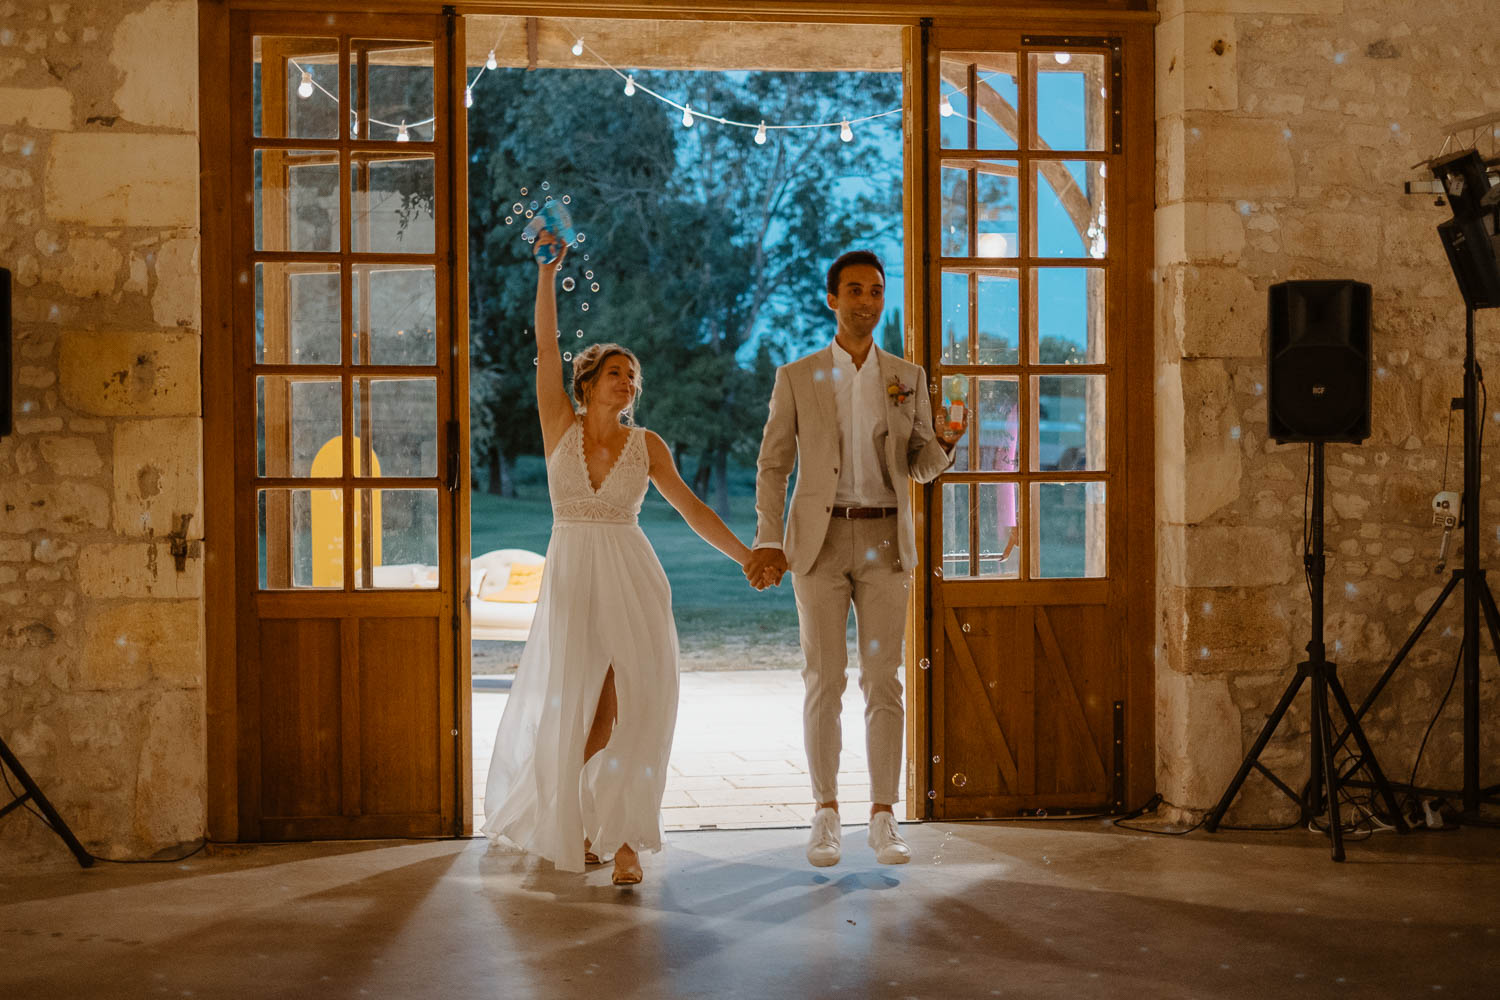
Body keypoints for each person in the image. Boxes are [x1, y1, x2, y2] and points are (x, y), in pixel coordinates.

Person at [483, 231, 753, 886]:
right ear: (588, 382)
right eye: (615, 373)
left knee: (633, 705)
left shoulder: (649, 446)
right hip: (574, 575)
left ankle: (627, 838)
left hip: (634, 578)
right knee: (578, 708)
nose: (627, 382)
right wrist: (548, 273)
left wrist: (748, 556)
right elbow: (546, 348)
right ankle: (576, 820)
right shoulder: (559, 426)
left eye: (632, 377)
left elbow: (693, 510)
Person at [745, 249, 965, 867]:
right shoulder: (798, 376)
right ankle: (824, 814)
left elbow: (918, 466)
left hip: (886, 545)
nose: (866, 301)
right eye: (853, 291)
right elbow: (772, 465)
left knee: (883, 681)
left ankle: (882, 816)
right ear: (831, 299)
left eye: (875, 290)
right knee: (824, 679)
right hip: (818, 546)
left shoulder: (907, 376)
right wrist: (768, 536)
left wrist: (945, 445)